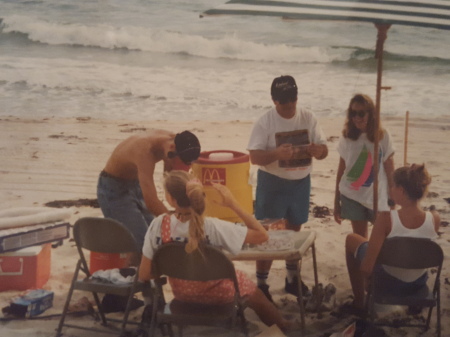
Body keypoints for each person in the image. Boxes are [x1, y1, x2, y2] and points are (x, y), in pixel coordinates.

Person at [138, 170, 298, 332]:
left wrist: (174, 264)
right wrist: (233, 204)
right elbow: (262, 236)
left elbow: (144, 274)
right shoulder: (212, 226)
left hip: (183, 295)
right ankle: (282, 325)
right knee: (253, 293)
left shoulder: (159, 225)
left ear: (171, 200)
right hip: (219, 295)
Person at [247, 75, 328, 300]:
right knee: (267, 234)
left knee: (294, 229)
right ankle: (262, 283)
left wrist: (318, 151)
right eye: (284, 101)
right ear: (274, 101)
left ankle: (292, 279)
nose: (290, 104)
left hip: (301, 183)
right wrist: (276, 153)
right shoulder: (265, 122)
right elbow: (254, 157)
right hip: (272, 182)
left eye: (292, 98)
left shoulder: (308, 117)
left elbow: (324, 150)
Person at [345, 164, 440, 313]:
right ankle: (413, 304)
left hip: (389, 284)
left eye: (393, 186)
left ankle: (359, 302)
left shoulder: (386, 219)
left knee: (351, 239)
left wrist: (367, 281)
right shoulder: (434, 219)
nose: (390, 189)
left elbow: (366, 268)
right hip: (418, 284)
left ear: (401, 190)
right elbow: (415, 245)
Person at [97, 129, 201, 250]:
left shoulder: (172, 143)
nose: (172, 164)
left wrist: (185, 210)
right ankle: (135, 267)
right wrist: (177, 222)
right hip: (113, 189)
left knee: (154, 234)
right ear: (172, 148)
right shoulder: (144, 151)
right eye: (175, 162)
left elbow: (170, 180)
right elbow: (151, 201)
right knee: (142, 243)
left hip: (136, 183)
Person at [334, 94, 395, 238]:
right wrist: (336, 201)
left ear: (371, 114)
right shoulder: (347, 136)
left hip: (377, 196)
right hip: (352, 196)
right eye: (353, 113)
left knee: (381, 239)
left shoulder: (382, 136)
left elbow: (389, 168)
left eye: (361, 113)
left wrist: (392, 199)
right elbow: (341, 170)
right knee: (360, 239)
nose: (357, 117)